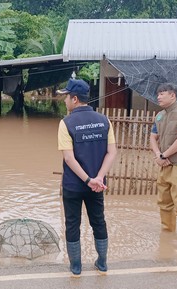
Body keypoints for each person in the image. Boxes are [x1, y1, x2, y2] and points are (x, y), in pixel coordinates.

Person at [57, 79, 117, 276]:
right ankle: (102, 263)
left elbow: (69, 157)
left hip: (74, 185)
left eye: (66, 96)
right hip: (97, 186)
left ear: (75, 99)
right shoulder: (104, 120)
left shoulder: (66, 123)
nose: (65, 100)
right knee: (98, 221)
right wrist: (97, 178)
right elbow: (111, 152)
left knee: (72, 223)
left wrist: (86, 180)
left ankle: (76, 266)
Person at [149, 83, 177, 241]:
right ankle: (167, 237)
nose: (158, 97)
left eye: (162, 94)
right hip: (164, 165)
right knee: (164, 203)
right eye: (158, 94)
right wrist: (158, 155)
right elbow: (153, 137)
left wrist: (163, 156)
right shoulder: (159, 115)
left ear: (173, 95)